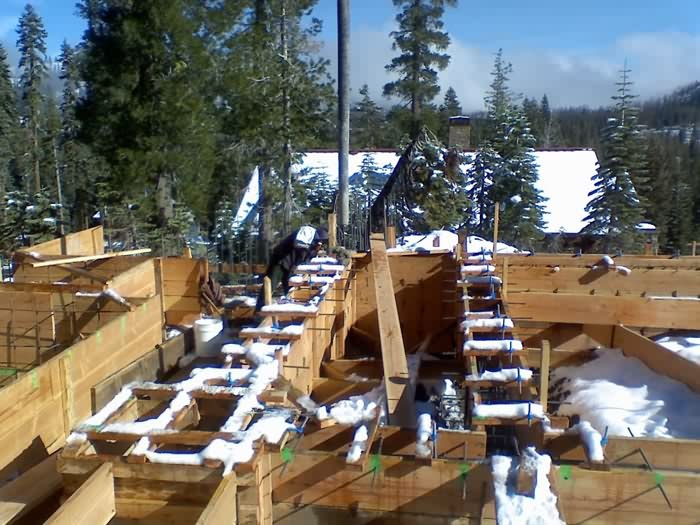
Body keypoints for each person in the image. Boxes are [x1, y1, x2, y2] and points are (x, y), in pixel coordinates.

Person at [255, 226, 329, 311]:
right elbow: (299, 246)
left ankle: (287, 310)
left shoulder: (314, 245)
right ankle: (259, 310)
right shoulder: (307, 232)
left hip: (290, 265)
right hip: (280, 260)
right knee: (270, 285)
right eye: (321, 242)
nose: (321, 244)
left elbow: (305, 258)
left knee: (290, 288)